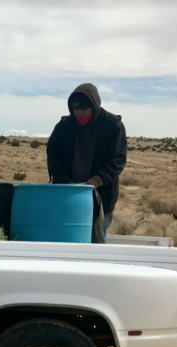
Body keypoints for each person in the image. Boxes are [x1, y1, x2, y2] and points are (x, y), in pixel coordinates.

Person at [46, 83, 127, 243]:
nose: (79, 112)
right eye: (75, 107)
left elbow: (118, 159)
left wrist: (99, 179)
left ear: (95, 104)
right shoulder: (64, 126)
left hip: (101, 198)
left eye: (84, 107)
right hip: (68, 196)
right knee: (66, 239)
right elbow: (54, 157)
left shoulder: (112, 125)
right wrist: (66, 182)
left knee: (96, 241)